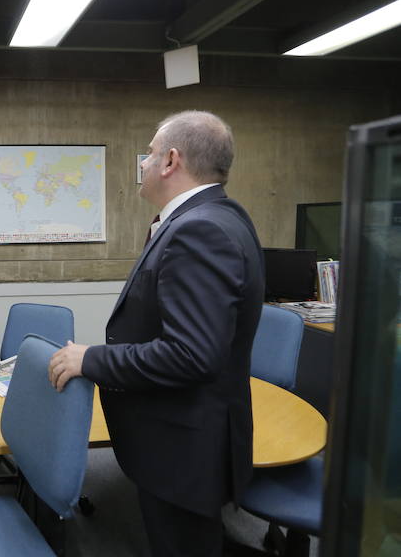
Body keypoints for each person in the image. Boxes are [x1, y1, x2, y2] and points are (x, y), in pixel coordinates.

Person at [48, 111, 264, 557]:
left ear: (170, 160)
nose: (141, 164)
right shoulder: (218, 215)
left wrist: (90, 359)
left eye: (147, 153)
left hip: (185, 449)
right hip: (187, 435)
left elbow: (190, 354)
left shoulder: (200, 229)